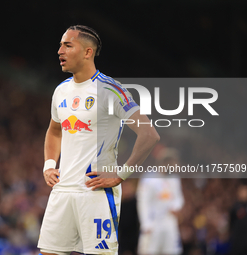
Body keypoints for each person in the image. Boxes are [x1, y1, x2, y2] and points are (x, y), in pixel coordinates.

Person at [37, 25, 160, 255]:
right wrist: (49, 165)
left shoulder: (110, 90)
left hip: (95, 192)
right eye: (60, 44)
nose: (59, 51)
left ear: (87, 52)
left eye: (67, 45)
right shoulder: (60, 91)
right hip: (62, 189)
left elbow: (149, 134)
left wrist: (122, 174)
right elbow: (54, 130)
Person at [136, 148, 184, 255]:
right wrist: (146, 223)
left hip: (169, 222)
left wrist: (176, 207)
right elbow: (143, 202)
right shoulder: (148, 178)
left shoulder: (174, 179)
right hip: (153, 223)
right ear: (166, 162)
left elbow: (178, 198)